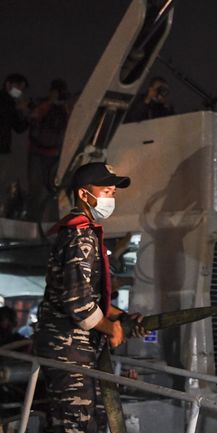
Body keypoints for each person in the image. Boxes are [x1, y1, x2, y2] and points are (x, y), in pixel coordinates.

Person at [33, 162, 146, 433]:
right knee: (76, 425)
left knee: (94, 421)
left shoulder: (80, 233)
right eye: (106, 191)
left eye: (113, 193)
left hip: (79, 350)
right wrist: (111, 329)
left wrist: (122, 318)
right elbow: (79, 303)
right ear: (84, 195)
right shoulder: (80, 237)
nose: (111, 197)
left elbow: (88, 296)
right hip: (68, 350)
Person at [27, 79, 72, 221]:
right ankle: (34, 220)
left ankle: (51, 221)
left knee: (54, 190)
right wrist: (49, 102)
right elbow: (32, 120)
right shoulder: (44, 105)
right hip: (39, 153)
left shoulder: (65, 108)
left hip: (54, 155)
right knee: (37, 188)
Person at [0, 73, 30, 154]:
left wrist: (28, 117)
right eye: (18, 87)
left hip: (3, 148)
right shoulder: (7, 103)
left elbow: (18, 128)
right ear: (8, 84)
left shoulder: (13, 103)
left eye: (22, 89)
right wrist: (15, 108)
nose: (20, 92)